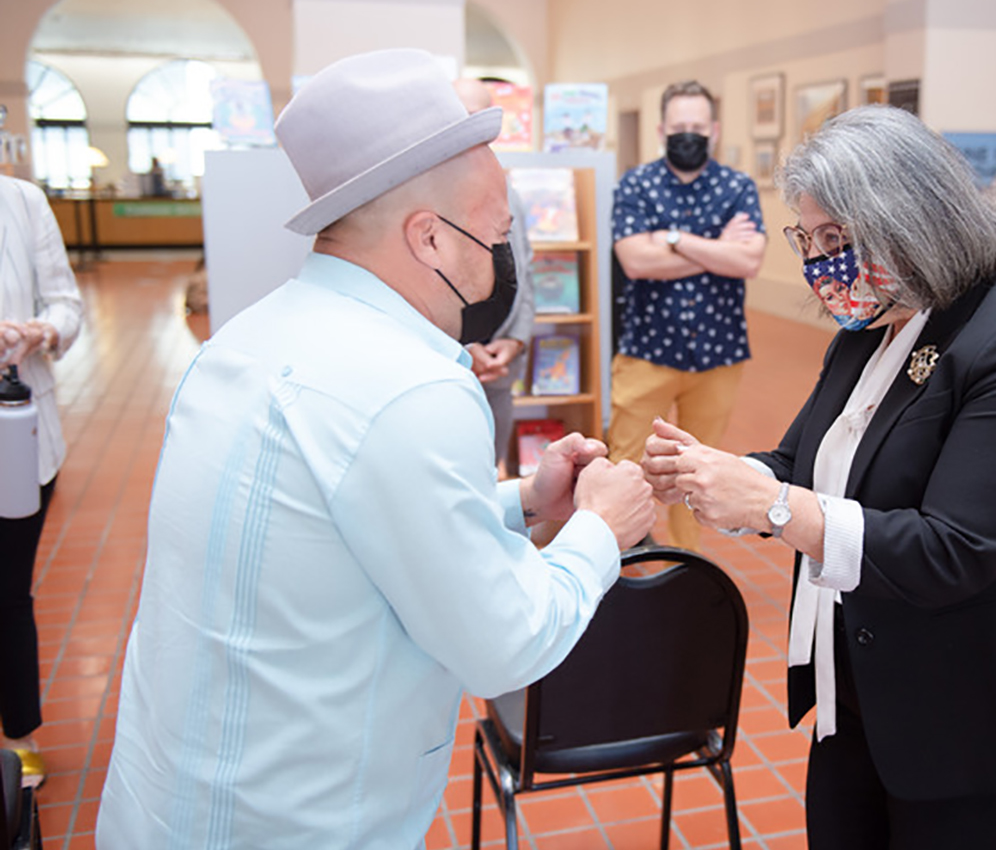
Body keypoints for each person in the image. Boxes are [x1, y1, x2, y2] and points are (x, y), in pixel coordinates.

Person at [97, 49, 655, 848]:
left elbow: (336, 522)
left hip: (176, 802)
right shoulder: (410, 388)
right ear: (429, 238)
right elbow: (508, 643)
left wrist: (526, 501)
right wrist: (600, 526)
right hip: (301, 821)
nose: (503, 260)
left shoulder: (252, 335)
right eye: (497, 235)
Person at [642, 106, 996, 850]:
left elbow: (952, 550)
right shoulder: (874, 330)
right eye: (811, 240)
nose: (819, 262)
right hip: (863, 686)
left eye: (837, 239)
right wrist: (712, 476)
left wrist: (768, 505)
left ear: (911, 219)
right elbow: (802, 467)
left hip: (976, 712)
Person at [609, 79, 766, 550]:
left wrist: (673, 240)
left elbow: (749, 261)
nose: (689, 134)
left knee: (699, 472)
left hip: (718, 354)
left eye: (698, 126)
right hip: (646, 351)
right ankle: (617, 557)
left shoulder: (736, 187)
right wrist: (717, 247)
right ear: (661, 129)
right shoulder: (636, 184)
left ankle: (684, 563)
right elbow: (635, 260)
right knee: (625, 463)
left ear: (714, 129)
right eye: (680, 127)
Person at [0, 174, 83, 790]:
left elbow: (66, 307)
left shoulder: (22, 202)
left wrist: (38, 332)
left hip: (17, 432)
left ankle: (19, 734)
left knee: (7, 591)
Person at [453, 77, 536, 476]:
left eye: (484, 121)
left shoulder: (507, 190)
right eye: (464, 118)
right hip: (448, 364)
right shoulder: (417, 194)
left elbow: (524, 269)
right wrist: (462, 349)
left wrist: (513, 341)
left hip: (498, 368)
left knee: (491, 468)